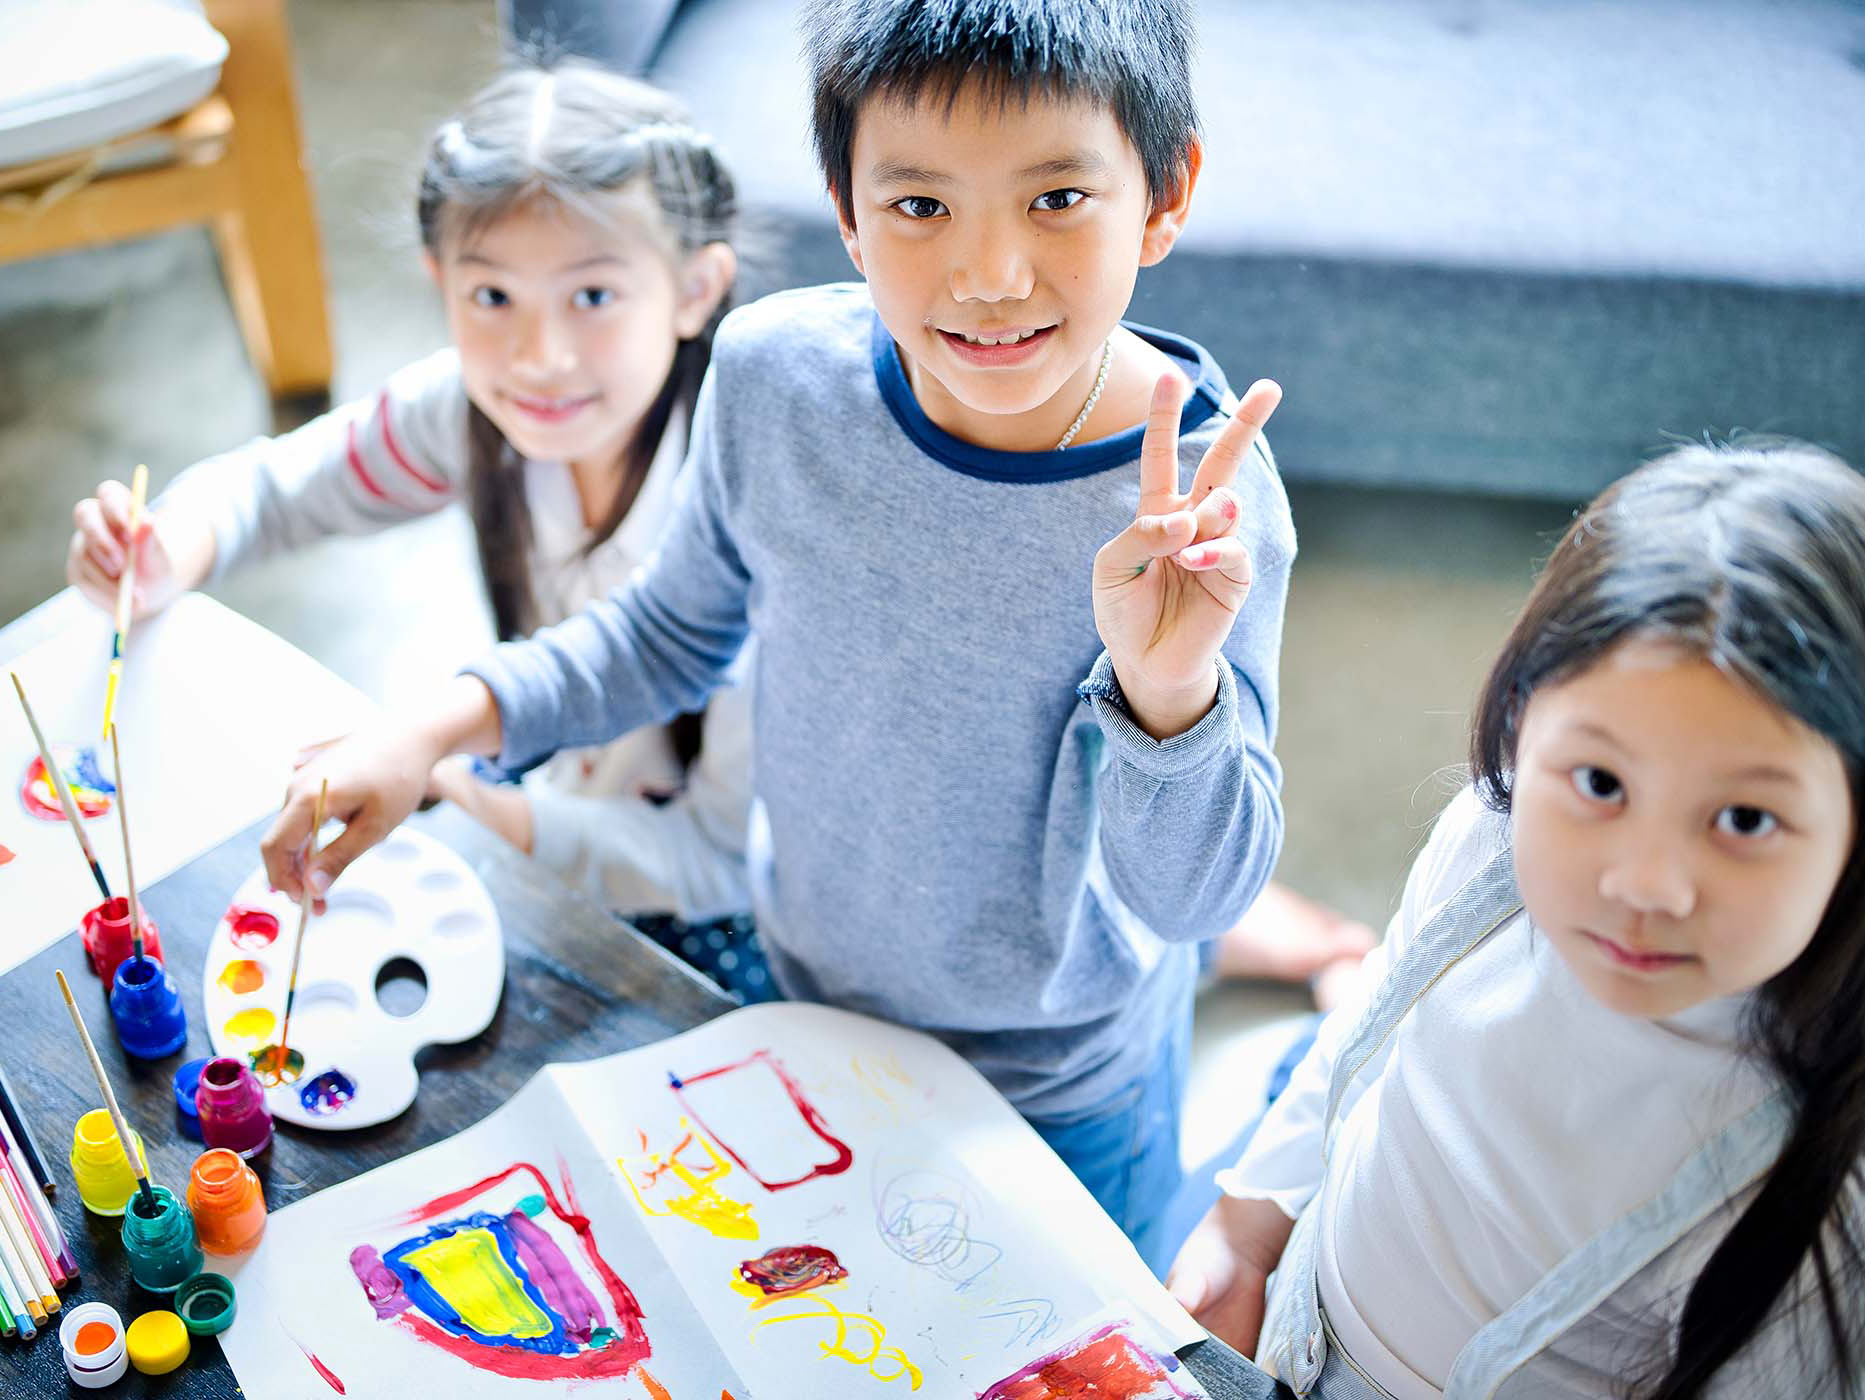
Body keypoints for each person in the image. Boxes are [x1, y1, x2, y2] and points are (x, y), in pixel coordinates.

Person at [254, 0, 1296, 1273]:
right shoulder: (772, 377)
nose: (988, 275)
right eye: (920, 205)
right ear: (846, 211)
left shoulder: (1202, 511)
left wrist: (1166, 691)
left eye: (1057, 200)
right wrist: (427, 730)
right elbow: (665, 634)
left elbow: (1191, 898)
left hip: (1057, 1082)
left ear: (1163, 194)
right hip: (799, 992)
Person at [1170, 441, 1865, 1395]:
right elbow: (1381, 1023)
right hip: (1291, 1313)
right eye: (1600, 782)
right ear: (1519, 726)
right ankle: (1314, 966)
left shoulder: (1824, 1188)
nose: (1645, 885)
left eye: (1743, 819)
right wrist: (1246, 1230)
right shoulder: (1487, 838)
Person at [65, 65, 773, 983]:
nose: (540, 357)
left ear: (695, 290)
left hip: (709, 904)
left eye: (593, 296)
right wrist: (167, 547)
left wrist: (472, 802)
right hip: (550, 777)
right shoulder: (467, 414)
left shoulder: (756, 511)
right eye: (492, 297)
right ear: (440, 281)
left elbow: (722, 859)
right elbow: (272, 489)